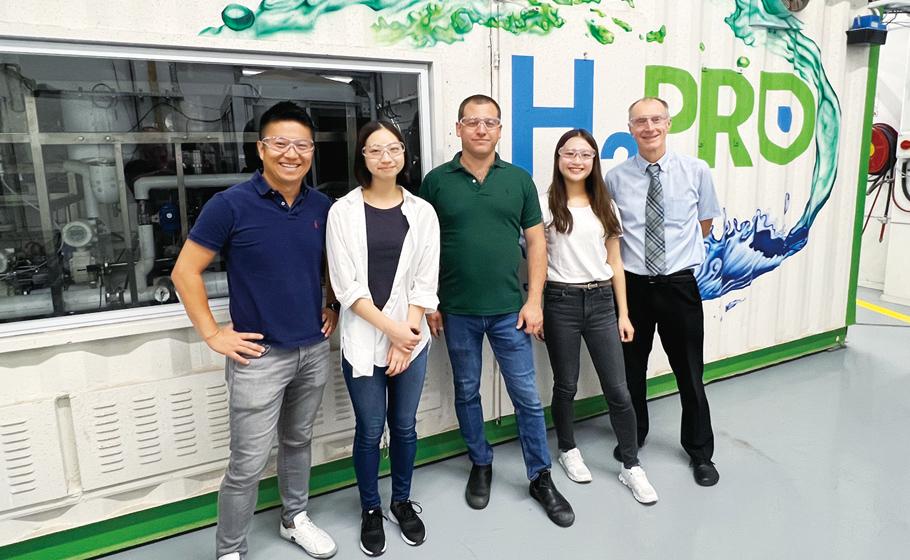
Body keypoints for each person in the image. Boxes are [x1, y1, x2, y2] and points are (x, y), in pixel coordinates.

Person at [171, 101, 339, 560]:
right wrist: (212, 333)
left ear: (311, 151)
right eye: (280, 143)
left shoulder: (323, 206)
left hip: (312, 347)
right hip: (257, 356)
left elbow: (331, 267)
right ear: (261, 148)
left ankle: (294, 519)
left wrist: (330, 303)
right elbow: (185, 272)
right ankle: (230, 549)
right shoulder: (230, 205)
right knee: (246, 464)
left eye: (301, 145)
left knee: (298, 441)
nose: (292, 153)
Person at [420, 94, 574, 527]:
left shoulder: (519, 180)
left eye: (490, 122)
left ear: (500, 129)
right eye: (473, 122)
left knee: (526, 397)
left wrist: (534, 300)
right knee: (467, 391)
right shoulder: (435, 182)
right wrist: (429, 302)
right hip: (457, 311)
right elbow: (423, 248)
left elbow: (538, 243)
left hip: (511, 310)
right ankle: (481, 463)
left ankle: (540, 476)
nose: (481, 130)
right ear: (459, 128)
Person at [326, 121, 440, 556]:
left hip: (410, 336)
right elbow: (347, 287)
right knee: (371, 428)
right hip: (364, 337)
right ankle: (371, 508)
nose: (386, 157)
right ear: (363, 159)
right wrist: (394, 333)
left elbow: (425, 283)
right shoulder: (343, 211)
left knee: (405, 426)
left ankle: (402, 501)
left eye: (394, 149)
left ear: (404, 155)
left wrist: (406, 337)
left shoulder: (422, 211)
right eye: (375, 151)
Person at [605, 96, 722, 487]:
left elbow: (704, 222)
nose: (649, 127)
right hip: (634, 288)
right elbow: (613, 235)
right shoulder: (616, 178)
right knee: (631, 371)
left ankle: (700, 452)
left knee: (690, 373)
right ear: (630, 128)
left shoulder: (696, 171)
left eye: (656, 119)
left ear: (668, 124)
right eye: (640, 121)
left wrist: (675, 258)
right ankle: (633, 439)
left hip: (678, 286)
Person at [540, 129, 658, 505]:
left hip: (603, 302)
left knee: (619, 390)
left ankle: (631, 464)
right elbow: (535, 262)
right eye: (569, 153)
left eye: (585, 155)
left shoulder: (605, 205)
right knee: (566, 385)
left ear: (594, 161)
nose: (577, 161)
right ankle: (568, 448)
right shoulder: (545, 205)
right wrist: (535, 306)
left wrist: (624, 313)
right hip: (561, 301)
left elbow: (616, 263)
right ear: (558, 159)